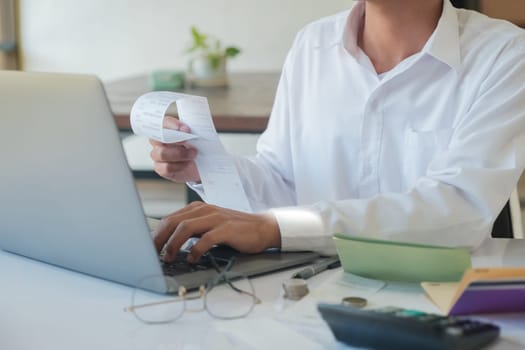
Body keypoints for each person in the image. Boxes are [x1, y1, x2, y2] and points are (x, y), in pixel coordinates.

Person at [150, 0, 525, 264]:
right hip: (305, 285)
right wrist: (204, 165)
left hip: (437, 297)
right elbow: (282, 178)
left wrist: (278, 228)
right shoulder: (312, 44)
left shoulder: (504, 54)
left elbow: (456, 209)